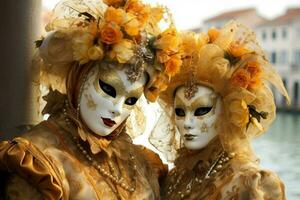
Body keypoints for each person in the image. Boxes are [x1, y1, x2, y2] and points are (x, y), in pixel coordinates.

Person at [0, 0, 183, 199]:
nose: (117, 109)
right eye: (108, 88)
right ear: (79, 77)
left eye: (130, 100)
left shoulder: (138, 161)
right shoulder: (40, 161)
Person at [150, 21, 289, 200]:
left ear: (228, 111)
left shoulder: (250, 183)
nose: (187, 123)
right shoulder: (176, 176)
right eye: (180, 112)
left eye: (201, 111)